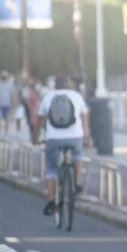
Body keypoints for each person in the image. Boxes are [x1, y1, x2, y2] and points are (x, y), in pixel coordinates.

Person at [36, 76, 90, 217]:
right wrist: (86, 135)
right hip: (75, 136)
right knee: (78, 154)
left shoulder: (48, 97)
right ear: (69, 85)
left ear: (55, 86)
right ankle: (76, 183)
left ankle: (51, 200)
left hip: (53, 138)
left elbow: (39, 120)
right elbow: (84, 117)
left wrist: (35, 138)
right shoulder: (76, 96)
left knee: (51, 168)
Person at [0, 72, 16, 136]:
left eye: (5, 76)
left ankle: (6, 134)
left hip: (7, 105)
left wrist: (14, 104)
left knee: (6, 120)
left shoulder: (10, 84)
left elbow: (12, 94)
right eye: (3, 76)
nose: (4, 77)